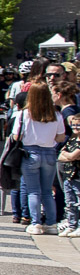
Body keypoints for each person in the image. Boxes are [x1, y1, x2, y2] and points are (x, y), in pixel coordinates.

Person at [14, 80, 64, 233]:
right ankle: (51, 224)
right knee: (47, 191)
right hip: (50, 153)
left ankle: (36, 223)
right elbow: (61, 137)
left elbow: (17, 136)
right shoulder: (56, 114)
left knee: (33, 191)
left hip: (30, 153)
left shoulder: (24, 114)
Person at [58, 96, 80, 237]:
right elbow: (60, 155)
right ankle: (72, 226)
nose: (75, 127)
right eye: (74, 125)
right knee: (70, 203)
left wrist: (67, 155)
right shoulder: (72, 139)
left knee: (78, 202)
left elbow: (72, 156)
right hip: (68, 175)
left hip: (77, 176)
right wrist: (67, 155)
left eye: (78, 125)